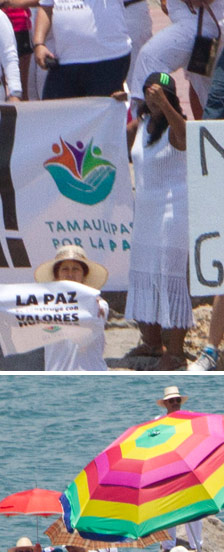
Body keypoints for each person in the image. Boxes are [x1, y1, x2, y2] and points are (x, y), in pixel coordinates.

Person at [126, 73, 191, 372]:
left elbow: (186, 138)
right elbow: (112, 136)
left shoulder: (176, 128)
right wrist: (113, 106)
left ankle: (175, 352)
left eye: (161, 94)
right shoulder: (139, 126)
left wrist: (165, 105)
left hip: (172, 213)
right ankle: (152, 342)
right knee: (144, 275)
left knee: (171, 279)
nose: (154, 99)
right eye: (151, 94)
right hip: (146, 213)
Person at [34, 243, 109, 373]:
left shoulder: (99, 304)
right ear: (56, 276)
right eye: (65, 269)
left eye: (76, 269)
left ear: (84, 276)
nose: (70, 274)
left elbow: (85, 337)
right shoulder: (44, 307)